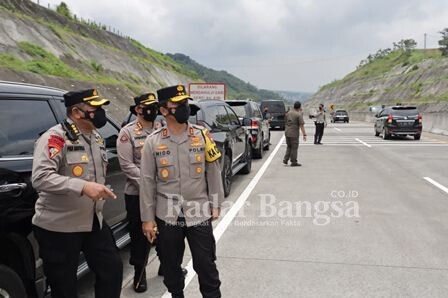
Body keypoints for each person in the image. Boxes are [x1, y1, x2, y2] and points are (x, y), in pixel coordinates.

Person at [31, 89, 123, 298]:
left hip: (93, 221)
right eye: (95, 108)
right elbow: (40, 177)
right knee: (64, 287)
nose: (100, 112)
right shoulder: (55, 138)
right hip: (59, 226)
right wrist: (82, 186)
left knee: (112, 270)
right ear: (76, 111)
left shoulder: (96, 138)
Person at [140, 85, 224, 298]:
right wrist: (147, 219)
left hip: (199, 212)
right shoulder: (153, 142)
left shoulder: (202, 135)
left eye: (184, 104)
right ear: (164, 110)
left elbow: (213, 171)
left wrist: (215, 203)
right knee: (171, 266)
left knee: (206, 265)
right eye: (177, 105)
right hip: (167, 215)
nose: (183, 108)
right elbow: (147, 182)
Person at [117, 93, 159, 292]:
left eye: (154, 106)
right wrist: (149, 183)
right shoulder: (128, 133)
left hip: (163, 193)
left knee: (167, 232)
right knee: (140, 235)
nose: (153, 110)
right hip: (137, 194)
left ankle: (167, 266)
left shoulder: (163, 129)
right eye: (147, 106)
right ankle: (139, 274)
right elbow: (126, 165)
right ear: (137, 110)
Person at [283, 101, 307, 166]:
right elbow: (301, 125)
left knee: (289, 146)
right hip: (294, 133)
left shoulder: (288, 113)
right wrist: (304, 134)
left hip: (287, 132)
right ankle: (293, 162)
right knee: (294, 147)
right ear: (299, 107)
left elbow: (285, 121)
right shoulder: (298, 114)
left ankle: (285, 160)